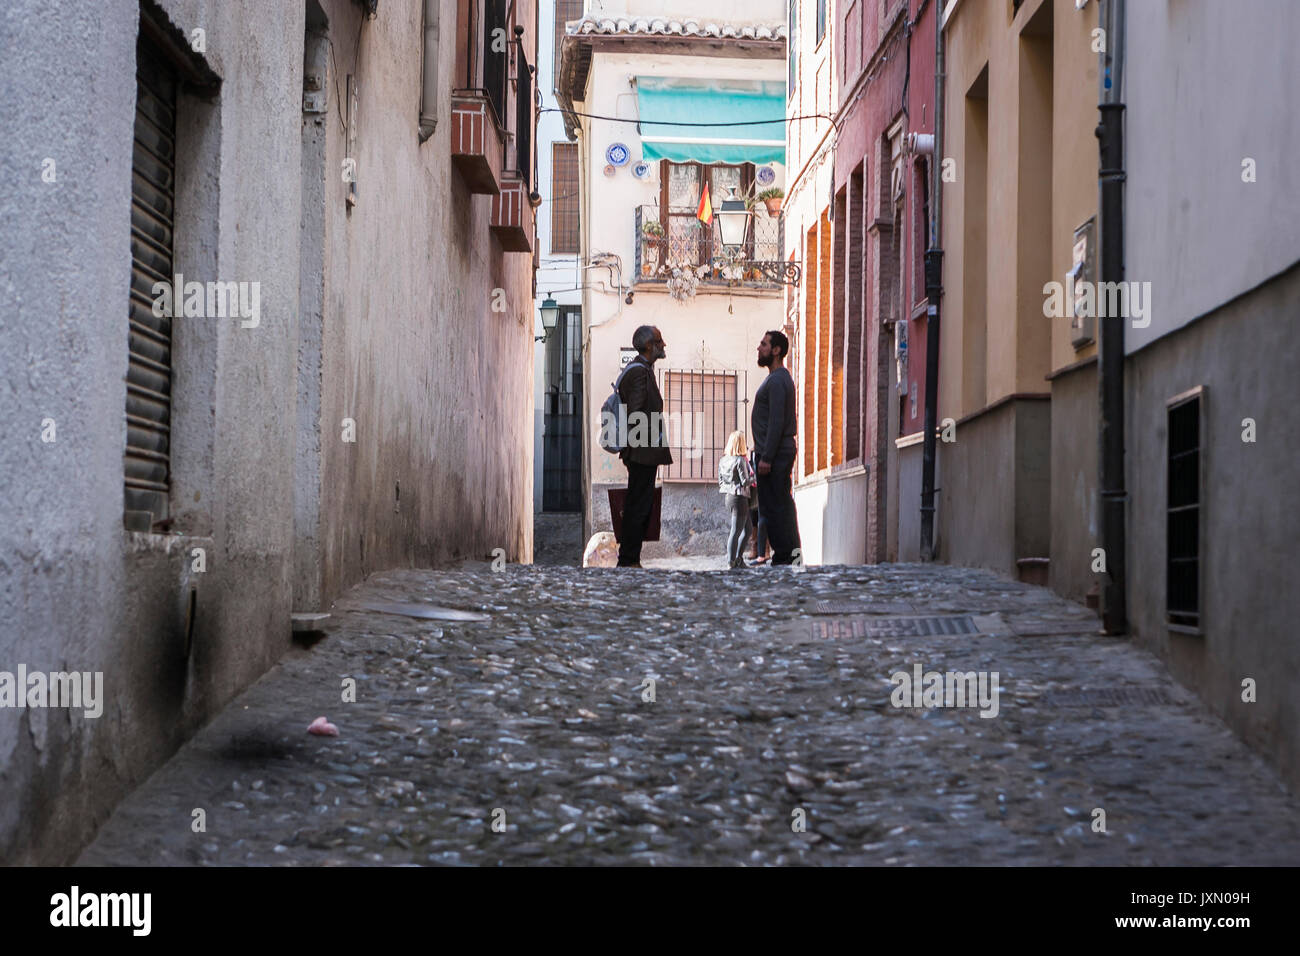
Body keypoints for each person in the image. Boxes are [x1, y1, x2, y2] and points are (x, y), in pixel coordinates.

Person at [617, 325, 672, 567]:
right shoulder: (639, 373)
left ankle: (631, 558)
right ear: (649, 346)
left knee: (640, 503)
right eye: (659, 341)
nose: (663, 345)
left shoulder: (641, 370)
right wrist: (645, 445)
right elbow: (635, 413)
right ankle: (628, 559)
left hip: (643, 451)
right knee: (638, 504)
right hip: (642, 452)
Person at [752, 330, 801, 565]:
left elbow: (777, 421)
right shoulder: (776, 378)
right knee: (777, 506)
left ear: (776, 350)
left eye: (764, 344)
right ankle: (788, 556)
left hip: (775, 455)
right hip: (772, 453)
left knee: (778, 506)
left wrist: (767, 457)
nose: (759, 348)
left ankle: (787, 557)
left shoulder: (779, 379)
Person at [717, 430, 755, 569]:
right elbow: (745, 481)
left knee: (748, 529)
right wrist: (755, 477)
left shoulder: (723, 460)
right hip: (739, 497)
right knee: (736, 531)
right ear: (741, 443)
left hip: (729, 497)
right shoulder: (740, 460)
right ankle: (731, 562)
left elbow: (720, 482)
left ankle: (738, 560)